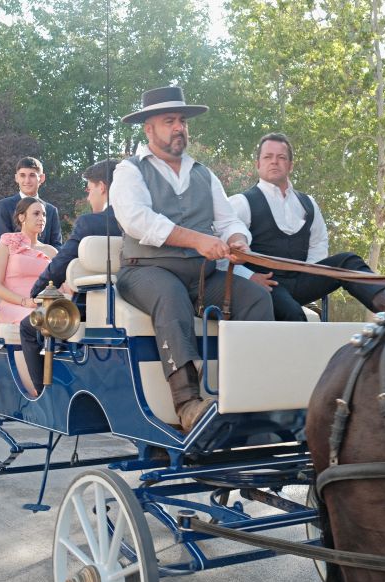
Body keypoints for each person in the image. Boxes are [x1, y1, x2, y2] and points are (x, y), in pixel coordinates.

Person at [112, 86, 273, 432]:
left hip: (199, 277)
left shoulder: (204, 173)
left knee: (257, 298)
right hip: (145, 272)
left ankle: (246, 400)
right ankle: (187, 404)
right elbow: (137, 221)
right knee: (169, 295)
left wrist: (235, 240)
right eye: (169, 120)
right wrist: (198, 240)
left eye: (182, 121)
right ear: (148, 129)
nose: (178, 128)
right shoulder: (130, 171)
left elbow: (228, 220)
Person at [228, 132, 385, 321]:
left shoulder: (308, 203)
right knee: (294, 313)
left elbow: (318, 243)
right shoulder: (241, 203)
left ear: (290, 165)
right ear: (258, 164)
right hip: (265, 284)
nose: (274, 162)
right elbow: (223, 254)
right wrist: (249, 278)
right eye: (268, 157)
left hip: (301, 280)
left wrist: (311, 274)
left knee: (347, 261)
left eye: (281, 157)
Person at [19, 159, 123, 394]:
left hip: (89, 306)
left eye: (89, 190)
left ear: (102, 187)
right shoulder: (138, 219)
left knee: (27, 327)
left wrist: (36, 291)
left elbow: (59, 264)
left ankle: (42, 394)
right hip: (128, 299)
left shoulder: (91, 223)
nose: (88, 198)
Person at [0, 196, 53, 395]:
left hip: (43, 304)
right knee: (33, 321)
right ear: (21, 217)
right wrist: (25, 302)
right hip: (14, 304)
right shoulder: (8, 243)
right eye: (36, 213)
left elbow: (64, 282)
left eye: (44, 214)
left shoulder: (50, 251)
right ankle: (39, 386)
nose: (41, 218)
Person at [0, 156, 62, 248]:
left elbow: (57, 245)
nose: (27, 180)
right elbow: (4, 243)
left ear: (41, 178)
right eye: (22, 175)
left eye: (32, 175)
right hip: (14, 260)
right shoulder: (4, 206)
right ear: (16, 178)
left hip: (45, 260)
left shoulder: (51, 210)